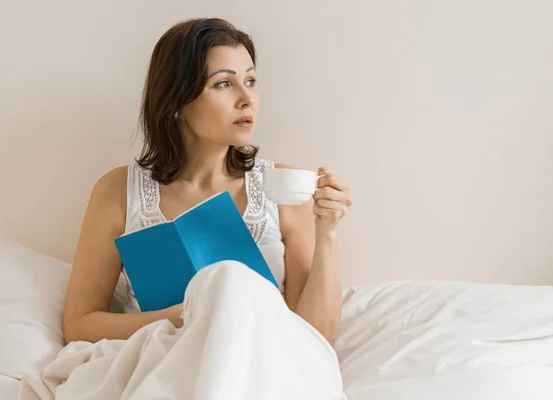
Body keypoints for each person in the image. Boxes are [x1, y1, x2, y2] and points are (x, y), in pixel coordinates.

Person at [62, 17, 352, 350]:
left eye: (251, 80)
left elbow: (317, 334)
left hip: (261, 366)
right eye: (224, 84)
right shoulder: (116, 191)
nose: (247, 99)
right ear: (176, 101)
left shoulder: (282, 186)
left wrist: (327, 232)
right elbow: (79, 325)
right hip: (165, 362)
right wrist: (184, 317)